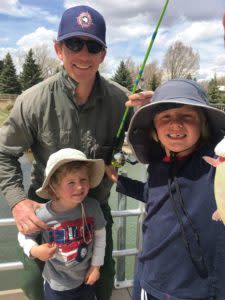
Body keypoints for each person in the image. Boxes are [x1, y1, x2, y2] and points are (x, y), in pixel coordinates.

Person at [0, 5, 152, 300]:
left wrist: (152, 113)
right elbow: (4, 153)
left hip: (95, 208)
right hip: (45, 213)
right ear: (59, 49)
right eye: (74, 44)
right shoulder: (32, 101)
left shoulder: (122, 100)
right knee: (33, 282)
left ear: (102, 55)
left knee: (104, 279)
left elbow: (144, 148)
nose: (83, 54)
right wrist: (18, 202)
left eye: (93, 46)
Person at [114, 79, 225, 300]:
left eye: (187, 116)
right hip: (149, 281)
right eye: (165, 117)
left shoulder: (216, 162)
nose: (175, 124)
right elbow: (153, 195)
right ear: (154, 129)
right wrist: (119, 181)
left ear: (203, 125)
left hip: (202, 291)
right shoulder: (157, 164)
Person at [18, 148, 106, 300]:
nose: (79, 187)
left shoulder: (93, 207)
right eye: (71, 182)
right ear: (54, 186)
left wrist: (95, 267)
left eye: (83, 180)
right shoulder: (44, 214)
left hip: (86, 280)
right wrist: (35, 250)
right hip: (56, 285)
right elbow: (23, 235)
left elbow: (100, 236)